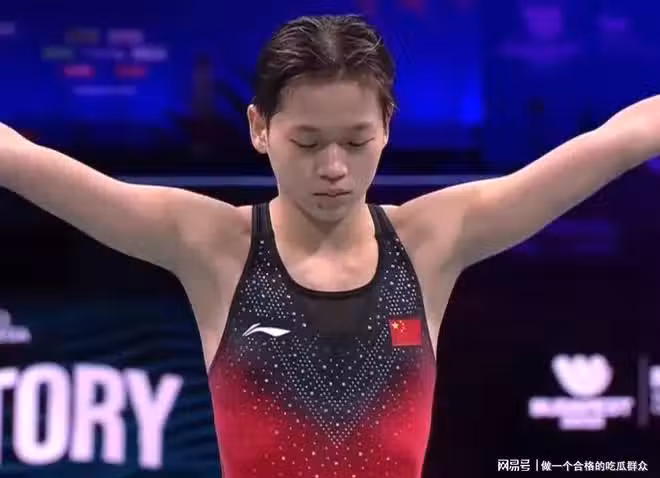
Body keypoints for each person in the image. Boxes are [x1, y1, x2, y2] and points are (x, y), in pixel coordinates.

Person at [0, 13, 659, 478]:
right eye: (308, 142)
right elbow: (23, 160)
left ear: (388, 126)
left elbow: (620, 140)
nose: (334, 167)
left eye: (357, 140)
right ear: (259, 128)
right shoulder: (213, 243)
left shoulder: (432, 239)